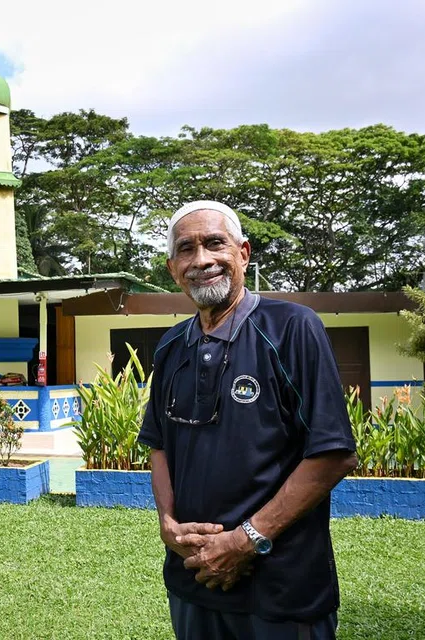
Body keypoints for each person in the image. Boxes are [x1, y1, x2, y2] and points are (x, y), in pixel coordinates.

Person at [137, 200, 358, 640]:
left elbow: (334, 454)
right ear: (172, 267)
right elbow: (158, 444)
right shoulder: (169, 346)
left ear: (244, 253)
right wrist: (167, 524)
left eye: (214, 243)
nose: (202, 260)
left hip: (282, 588)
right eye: (186, 249)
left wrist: (244, 541)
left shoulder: (292, 327)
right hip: (192, 580)